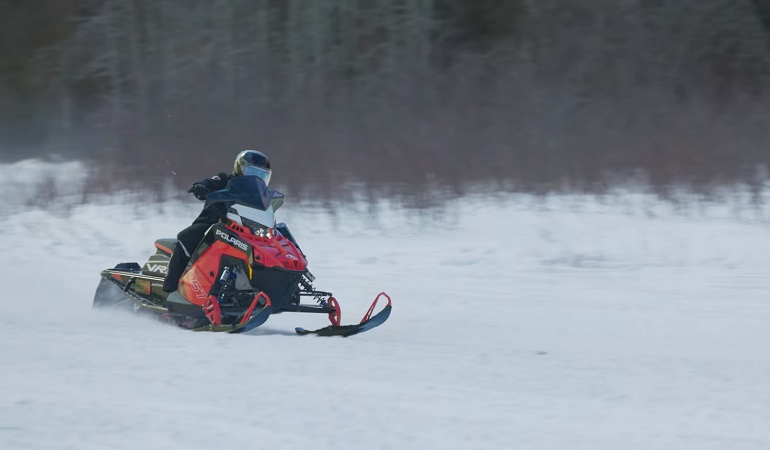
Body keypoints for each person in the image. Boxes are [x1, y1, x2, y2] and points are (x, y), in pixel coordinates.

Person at [162, 150, 272, 293]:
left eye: (261, 175)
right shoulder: (225, 180)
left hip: (242, 228)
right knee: (187, 236)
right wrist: (201, 186)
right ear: (240, 167)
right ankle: (170, 289)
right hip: (213, 223)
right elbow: (210, 182)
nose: (255, 177)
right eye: (251, 171)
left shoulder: (258, 196)